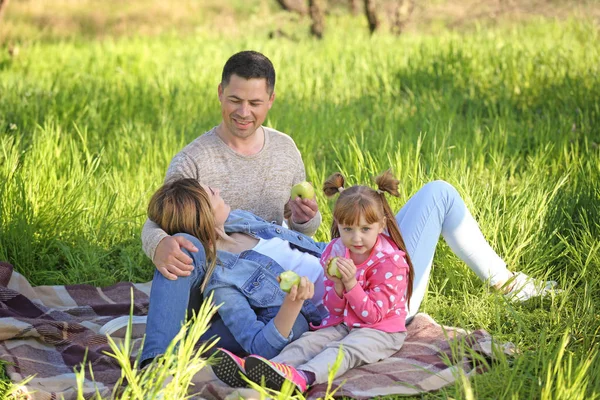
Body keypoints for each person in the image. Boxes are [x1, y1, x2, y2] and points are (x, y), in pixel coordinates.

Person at [212, 170, 415, 393]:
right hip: (344, 323)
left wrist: (350, 285)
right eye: (348, 229)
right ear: (338, 224)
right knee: (308, 342)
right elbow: (333, 310)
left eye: (365, 229)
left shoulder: (390, 262)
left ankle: (302, 376)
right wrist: (338, 287)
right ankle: (262, 370)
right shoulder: (336, 251)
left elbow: (373, 315)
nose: (356, 238)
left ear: (381, 224)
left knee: (342, 351)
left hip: (380, 330)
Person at [141, 50, 321, 281]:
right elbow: (157, 220)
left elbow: (298, 232)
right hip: (222, 277)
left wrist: (304, 219)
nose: (244, 113)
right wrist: (159, 244)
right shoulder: (192, 160)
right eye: (235, 100)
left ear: (271, 100)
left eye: (255, 103)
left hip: (278, 274)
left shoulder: (285, 149)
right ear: (220, 92)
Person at [141, 178, 329, 368]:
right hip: (337, 303)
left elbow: (310, 247)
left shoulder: (243, 220)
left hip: (347, 266)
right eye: (212, 193)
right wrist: (293, 303)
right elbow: (259, 345)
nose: (218, 189)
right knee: (295, 325)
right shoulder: (222, 279)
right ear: (202, 214)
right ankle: (188, 350)